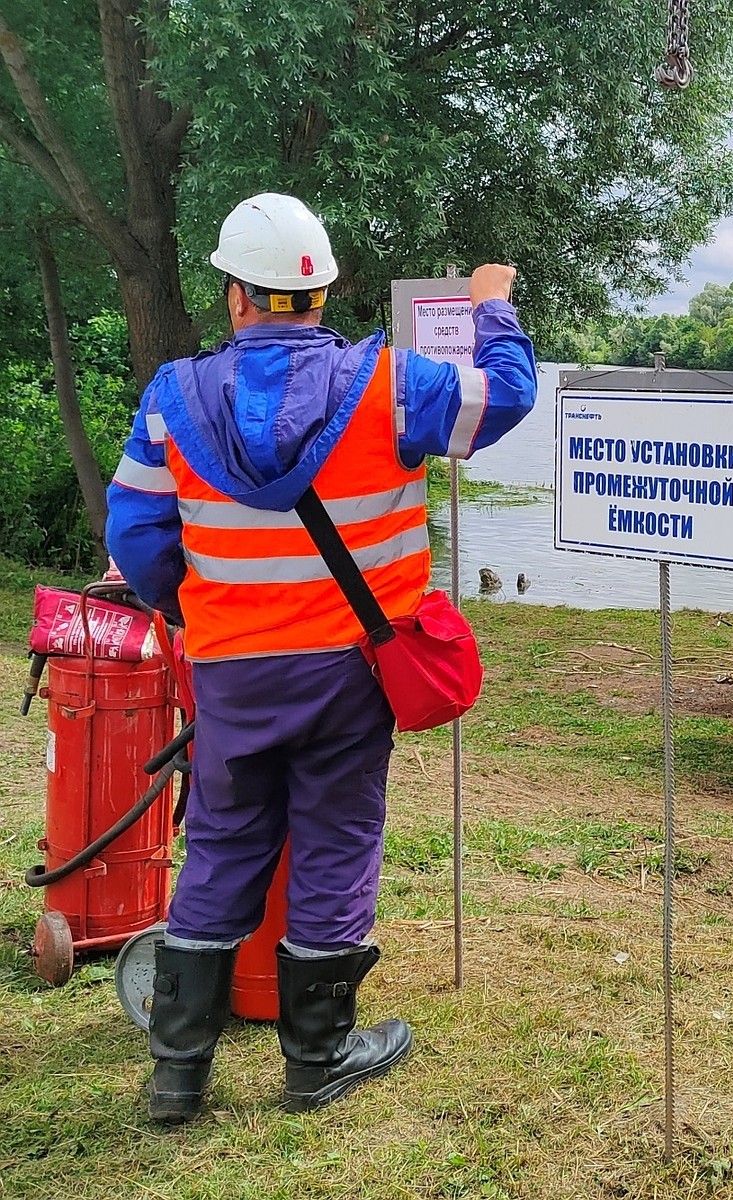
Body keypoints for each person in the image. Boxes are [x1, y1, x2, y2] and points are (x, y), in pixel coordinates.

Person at [106, 192, 536, 1123]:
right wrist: (491, 303)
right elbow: (504, 397)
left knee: (221, 844)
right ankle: (319, 1059)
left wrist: (201, 606)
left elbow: (137, 535)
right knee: (337, 841)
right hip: (351, 669)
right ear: (323, 291)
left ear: (234, 296)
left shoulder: (172, 395)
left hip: (229, 668)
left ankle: (177, 1076)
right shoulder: (392, 385)